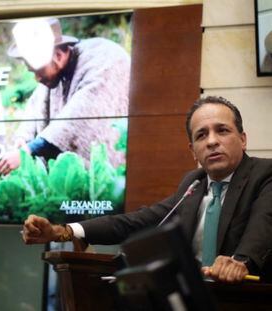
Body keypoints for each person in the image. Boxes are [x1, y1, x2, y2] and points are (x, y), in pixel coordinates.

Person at [22, 96, 272, 283]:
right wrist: (62, 232)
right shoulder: (193, 184)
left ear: (243, 138)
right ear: (192, 150)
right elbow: (136, 222)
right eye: (201, 135)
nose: (212, 141)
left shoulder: (264, 175)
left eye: (223, 130)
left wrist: (241, 261)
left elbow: (263, 226)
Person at [0, 18, 130, 175]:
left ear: (58, 56)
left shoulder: (104, 60)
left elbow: (80, 117)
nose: (37, 79)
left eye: (38, 71)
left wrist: (28, 151)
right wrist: (23, 139)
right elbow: (35, 105)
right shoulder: (54, 72)